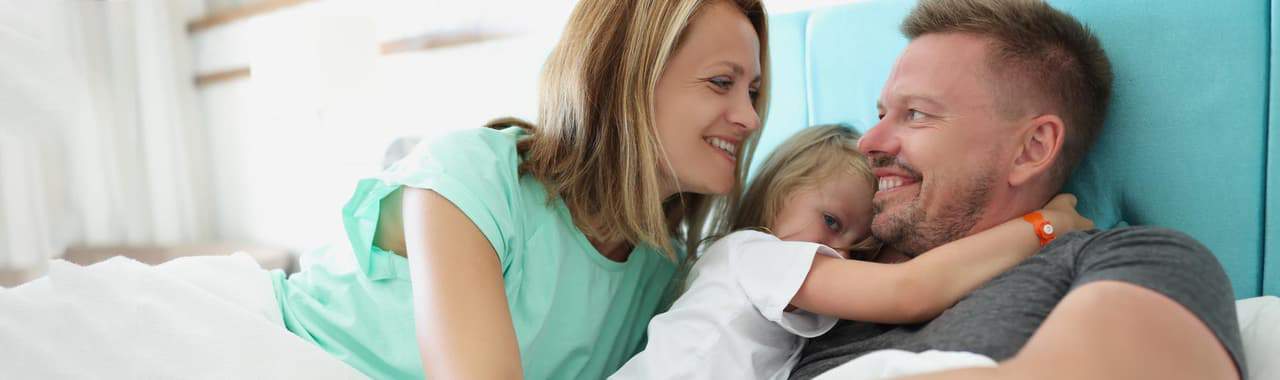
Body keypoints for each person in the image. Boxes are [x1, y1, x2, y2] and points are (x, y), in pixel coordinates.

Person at [270, 0, 771, 378]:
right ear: (626, 79)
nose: (749, 118)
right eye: (720, 82)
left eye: (751, 92)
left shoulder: (661, 275)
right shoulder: (469, 180)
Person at [790, 1, 1246, 379]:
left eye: (916, 114)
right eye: (881, 113)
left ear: (1031, 149)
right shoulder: (825, 275)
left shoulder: (1134, 259)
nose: (868, 143)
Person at [610, 124, 1093, 379]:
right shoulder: (753, 255)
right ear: (779, 190)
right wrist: (1045, 226)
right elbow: (911, 289)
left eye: (859, 246)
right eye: (832, 222)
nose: (837, 251)